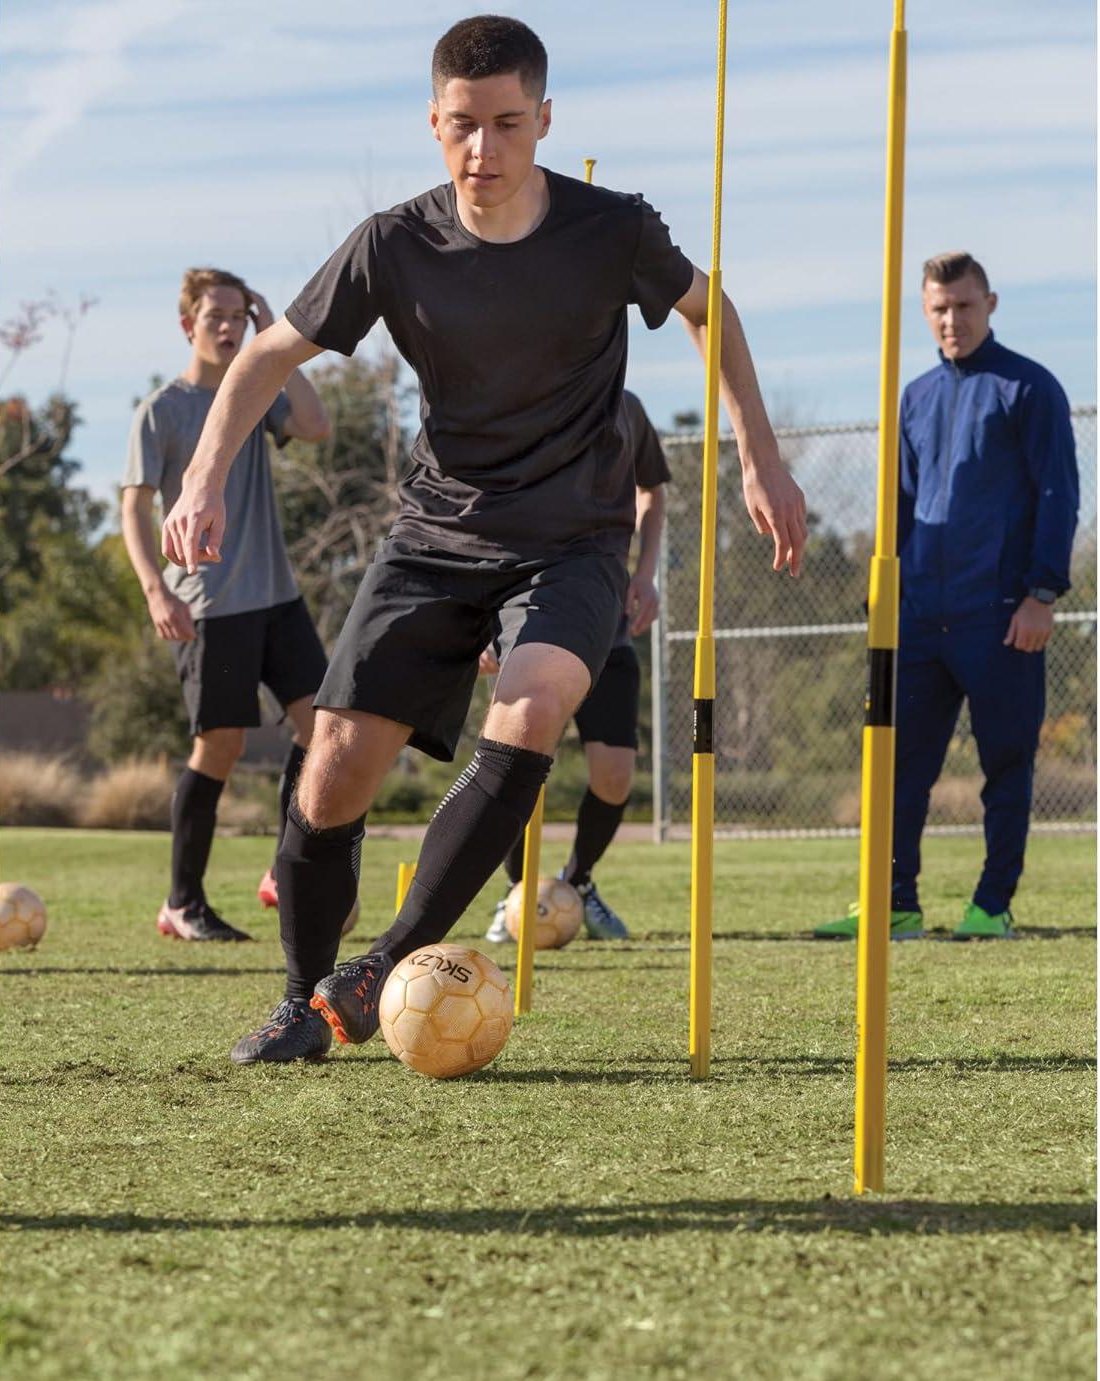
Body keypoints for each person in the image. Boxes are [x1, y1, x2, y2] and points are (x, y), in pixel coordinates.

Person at [160, 15, 807, 1062]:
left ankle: (383, 964)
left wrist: (758, 456)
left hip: (574, 538)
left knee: (535, 703)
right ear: (432, 122)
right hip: (435, 536)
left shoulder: (611, 230)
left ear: (543, 120)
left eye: (508, 124)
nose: (483, 150)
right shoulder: (391, 244)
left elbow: (708, 307)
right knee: (328, 771)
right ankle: (297, 1003)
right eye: (462, 126)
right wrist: (201, 479)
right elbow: (271, 356)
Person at [815, 251, 1079, 942]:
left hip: (1000, 618)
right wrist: (885, 596)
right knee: (898, 768)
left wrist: (1041, 594)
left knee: (1006, 766)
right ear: (924, 312)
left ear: (990, 303)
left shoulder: (1030, 389)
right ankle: (894, 902)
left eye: (963, 306)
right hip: (920, 620)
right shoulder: (916, 397)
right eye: (938, 308)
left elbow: (1059, 495)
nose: (951, 320)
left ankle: (992, 905)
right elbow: (902, 505)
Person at [121, 268, 332, 941]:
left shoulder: (257, 393)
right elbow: (135, 506)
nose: (227, 326)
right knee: (221, 745)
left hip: (278, 596)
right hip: (208, 603)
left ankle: (281, 870)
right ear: (188, 325)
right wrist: (157, 589)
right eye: (215, 315)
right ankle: (182, 903)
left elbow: (317, 424)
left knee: (324, 727)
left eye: (238, 315)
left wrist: (276, 333)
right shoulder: (162, 409)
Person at [482, 388, 671, 942]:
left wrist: (646, 573)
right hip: (534, 620)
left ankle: (579, 883)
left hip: (608, 625)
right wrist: (487, 616)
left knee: (614, 777)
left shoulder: (628, 407)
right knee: (517, 765)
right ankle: (517, 896)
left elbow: (652, 493)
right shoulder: (523, 399)